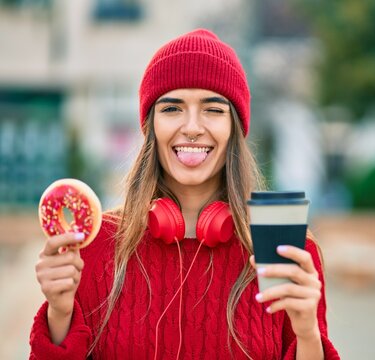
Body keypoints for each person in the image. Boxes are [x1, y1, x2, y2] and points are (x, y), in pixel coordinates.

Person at [30, 29, 340, 359]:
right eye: (172, 108)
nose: (192, 127)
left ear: (234, 128)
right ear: (150, 127)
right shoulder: (93, 247)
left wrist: (307, 333)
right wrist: (59, 314)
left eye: (213, 109)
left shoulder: (285, 252)